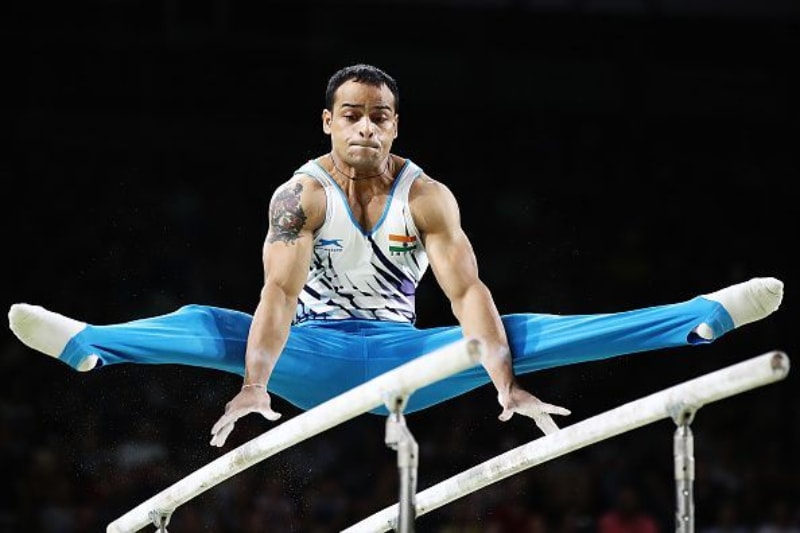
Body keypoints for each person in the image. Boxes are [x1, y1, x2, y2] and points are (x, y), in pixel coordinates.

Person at [8, 64, 784, 449]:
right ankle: (91, 347)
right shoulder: (299, 196)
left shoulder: (429, 197)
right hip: (309, 354)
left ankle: (697, 320)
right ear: (327, 121)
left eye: (379, 117)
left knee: (518, 329)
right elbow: (277, 297)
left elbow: (467, 294)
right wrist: (254, 383)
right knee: (210, 319)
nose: (366, 128)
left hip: (408, 358)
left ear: (396, 125)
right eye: (351, 115)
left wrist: (505, 383)